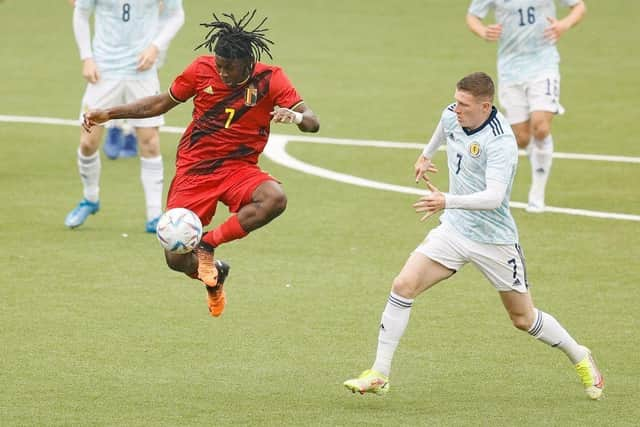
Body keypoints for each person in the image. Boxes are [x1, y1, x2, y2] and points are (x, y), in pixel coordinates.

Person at [343, 72, 603, 400]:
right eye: (456, 101)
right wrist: (426, 155)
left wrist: (446, 200)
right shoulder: (453, 114)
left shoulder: (501, 142)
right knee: (402, 285)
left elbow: (494, 197)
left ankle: (579, 354)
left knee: (523, 318)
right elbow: (443, 127)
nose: (456, 110)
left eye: (464, 105)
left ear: (485, 105)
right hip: (454, 229)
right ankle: (380, 372)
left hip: (493, 239)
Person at [81, 10, 320, 318]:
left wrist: (296, 116)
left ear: (247, 63)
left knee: (275, 198)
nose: (221, 72)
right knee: (175, 258)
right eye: (218, 65)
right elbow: (158, 103)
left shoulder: (270, 79)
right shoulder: (200, 70)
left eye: (228, 68)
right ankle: (214, 273)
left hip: (239, 168)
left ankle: (207, 244)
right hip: (196, 168)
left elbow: (313, 122)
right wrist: (111, 113)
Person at [65, 0, 185, 233]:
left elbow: (176, 14)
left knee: (149, 142)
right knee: (88, 142)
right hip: (103, 71)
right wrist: (86, 58)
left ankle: (154, 215)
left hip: (142, 73)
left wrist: (155, 46)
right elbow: (81, 13)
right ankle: (90, 199)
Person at [466, 0, 586, 212]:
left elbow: (579, 7)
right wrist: (484, 31)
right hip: (510, 70)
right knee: (521, 138)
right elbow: (472, 16)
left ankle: (537, 194)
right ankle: (538, 157)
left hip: (544, 65)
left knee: (541, 127)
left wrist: (564, 25)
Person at [102, 0, 178, 160]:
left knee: (142, 76)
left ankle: (131, 132)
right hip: (122, 27)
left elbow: (173, 9)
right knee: (119, 74)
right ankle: (114, 126)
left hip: (157, 27)